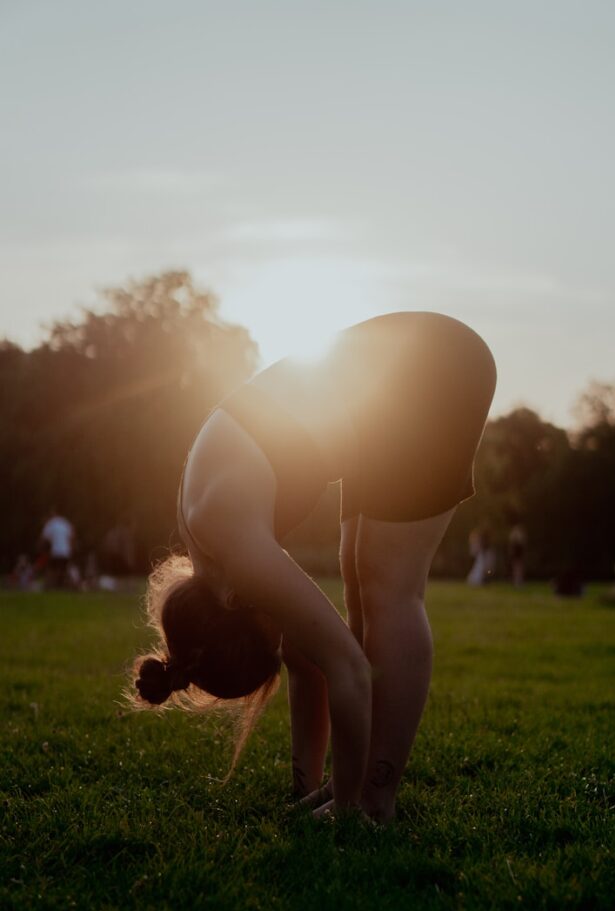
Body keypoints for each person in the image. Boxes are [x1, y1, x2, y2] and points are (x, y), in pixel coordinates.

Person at [131, 312, 496, 822]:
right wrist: (307, 786)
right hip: (394, 390)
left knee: (389, 587)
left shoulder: (234, 547)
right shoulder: (208, 547)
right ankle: (348, 789)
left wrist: (347, 807)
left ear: (237, 606)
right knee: (359, 574)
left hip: (431, 371)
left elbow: (346, 669)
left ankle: (373, 803)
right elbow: (305, 659)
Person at [39, 509, 75, 588]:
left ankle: (52, 586)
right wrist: (71, 549)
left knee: (53, 570)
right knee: (63, 570)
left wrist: (43, 551)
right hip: (66, 551)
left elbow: (43, 539)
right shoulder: (65, 522)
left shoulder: (50, 524)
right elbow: (72, 536)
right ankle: (63, 586)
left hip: (55, 552)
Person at [508, 521, 526, 586]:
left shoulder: (517, 540)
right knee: (517, 567)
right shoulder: (516, 540)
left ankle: (518, 581)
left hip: (518, 553)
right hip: (517, 553)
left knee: (518, 567)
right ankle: (517, 581)